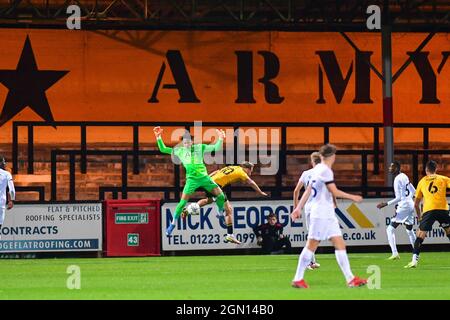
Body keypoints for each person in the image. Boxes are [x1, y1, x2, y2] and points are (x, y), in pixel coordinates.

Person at [291, 144, 367, 288]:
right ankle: (298, 278)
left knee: (339, 244)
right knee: (311, 245)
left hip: (327, 214)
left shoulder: (317, 170)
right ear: (332, 156)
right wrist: (353, 197)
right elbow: (334, 191)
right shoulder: (325, 170)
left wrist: (298, 208)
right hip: (320, 214)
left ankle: (350, 278)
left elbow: (307, 190)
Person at [154, 126, 228, 237]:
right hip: (191, 180)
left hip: (204, 178)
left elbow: (216, 148)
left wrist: (221, 138)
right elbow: (163, 149)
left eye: (188, 141)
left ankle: (220, 213)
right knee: (182, 203)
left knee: (221, 196)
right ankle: (173, 224)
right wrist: (158, 137)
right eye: (184, 142)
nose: (187, 143)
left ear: (192, 142)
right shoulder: (179, 151)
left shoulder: (200, 147)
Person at [184, 161, 268, 244]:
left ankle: (188, 210)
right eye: (251, 170)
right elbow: (251, 182)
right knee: (229, 210)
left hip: (209, 182)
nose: (251, 172)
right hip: (216, 186)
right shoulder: (242, 172)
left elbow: (217, 171)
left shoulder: (234, 167)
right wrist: (260, 192)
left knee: (208, 200)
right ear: (246, 168)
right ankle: (230, 235)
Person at [405, 160, 450, 268]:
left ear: (426, 170)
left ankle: (414, 261)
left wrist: (420, 216)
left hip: (429, 210)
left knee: (420, 236)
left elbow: (416, 204)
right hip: (442, 209)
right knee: (449, 232)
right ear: (436, 169)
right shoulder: (443, 179)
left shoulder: (422, 182)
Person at [377, 161, 416, 260]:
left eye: (392, 167)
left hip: (404, 206)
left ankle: (395, 253)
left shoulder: (397, 179)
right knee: (409, 230)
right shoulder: (404, 176)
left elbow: (398, 198)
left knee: (390, 229)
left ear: (398, 168)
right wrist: (408, 200)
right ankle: (416, 252)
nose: (390, 168)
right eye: (390, 167)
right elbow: (413, 191)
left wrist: (385, 204)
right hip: (410, 204)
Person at [292, 151, 321, 270]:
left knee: (312, 234)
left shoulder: (306, 173)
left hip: (308, 207)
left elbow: (296, 191)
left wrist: (296, 207)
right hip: (319, 207)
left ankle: (311, 261)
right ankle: (309, 261)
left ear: (312, 162)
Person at [0, 156, 15, 239]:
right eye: (3, 163)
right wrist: (11, 200)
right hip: (1, 203)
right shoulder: (6, 174)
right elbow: (11, 189)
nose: (4, 165)